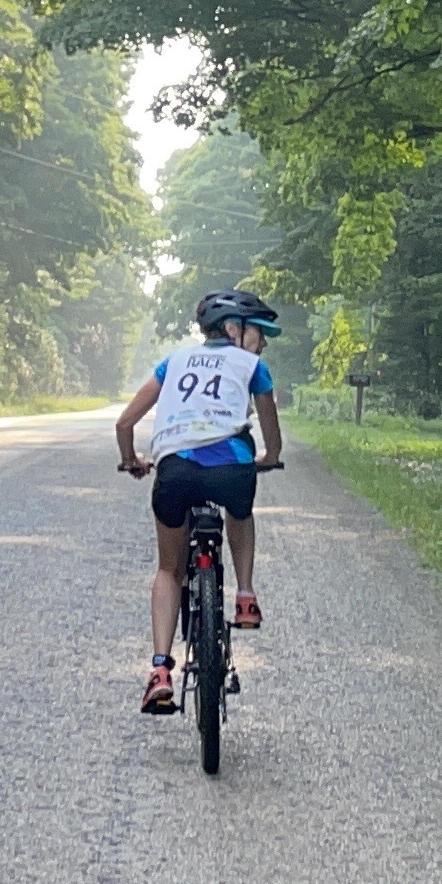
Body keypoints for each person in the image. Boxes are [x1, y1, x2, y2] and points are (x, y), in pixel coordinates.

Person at [114, 290, 284, 714]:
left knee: (169, 569)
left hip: (175, 471)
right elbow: (272, 436)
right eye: (258, 333)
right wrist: (269, 459)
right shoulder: (253, 366)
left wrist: (131, 459)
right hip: (231, 469)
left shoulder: (173, 362)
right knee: (239, 511)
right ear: (232, 330)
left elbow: (125, 422)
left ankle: (159, 671)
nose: (262, 343)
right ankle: (245, 596)